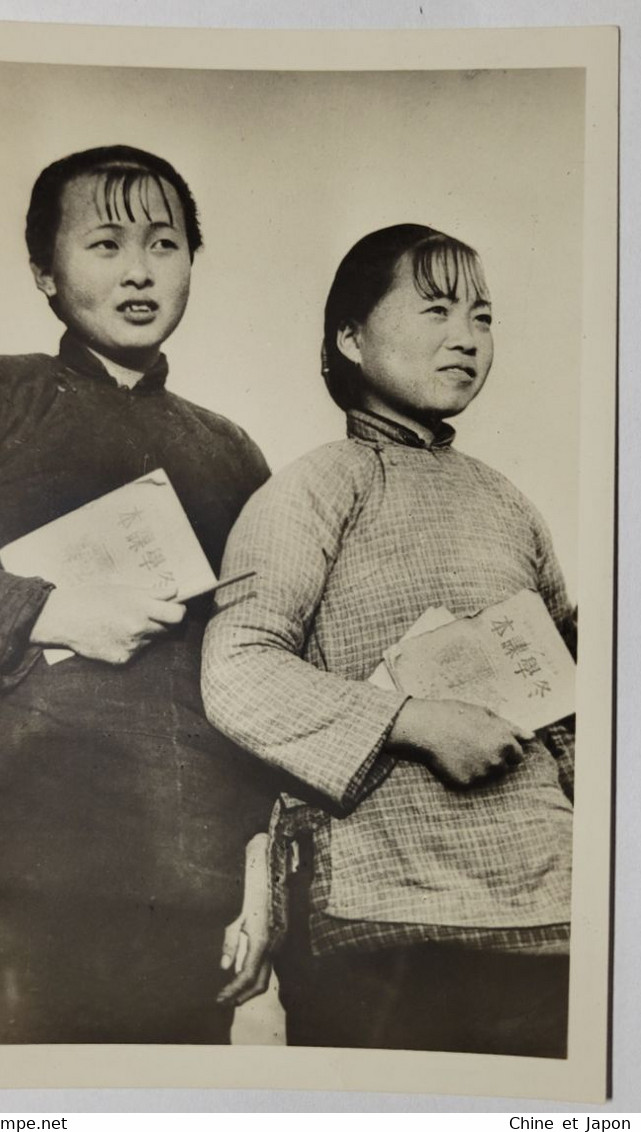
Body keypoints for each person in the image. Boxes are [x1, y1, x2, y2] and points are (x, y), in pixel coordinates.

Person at [202, 223, 576, 1057]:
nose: (466, 338)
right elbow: (237, 668)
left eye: (483, 318)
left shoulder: (507, 503)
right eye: (437, 309)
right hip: (387, 909)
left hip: (551, 903)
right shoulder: (309, 488)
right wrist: (414, 721)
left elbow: (575, 702)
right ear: (349, 336)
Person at [0, 145, 279, 1044]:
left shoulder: (233, 452)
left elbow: (260, 668)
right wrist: (45, 610)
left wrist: (258, 876)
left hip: (187, 893)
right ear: (43, 273)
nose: (140, 270)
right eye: (104, 244)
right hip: (1, 878)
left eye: (165, 243)